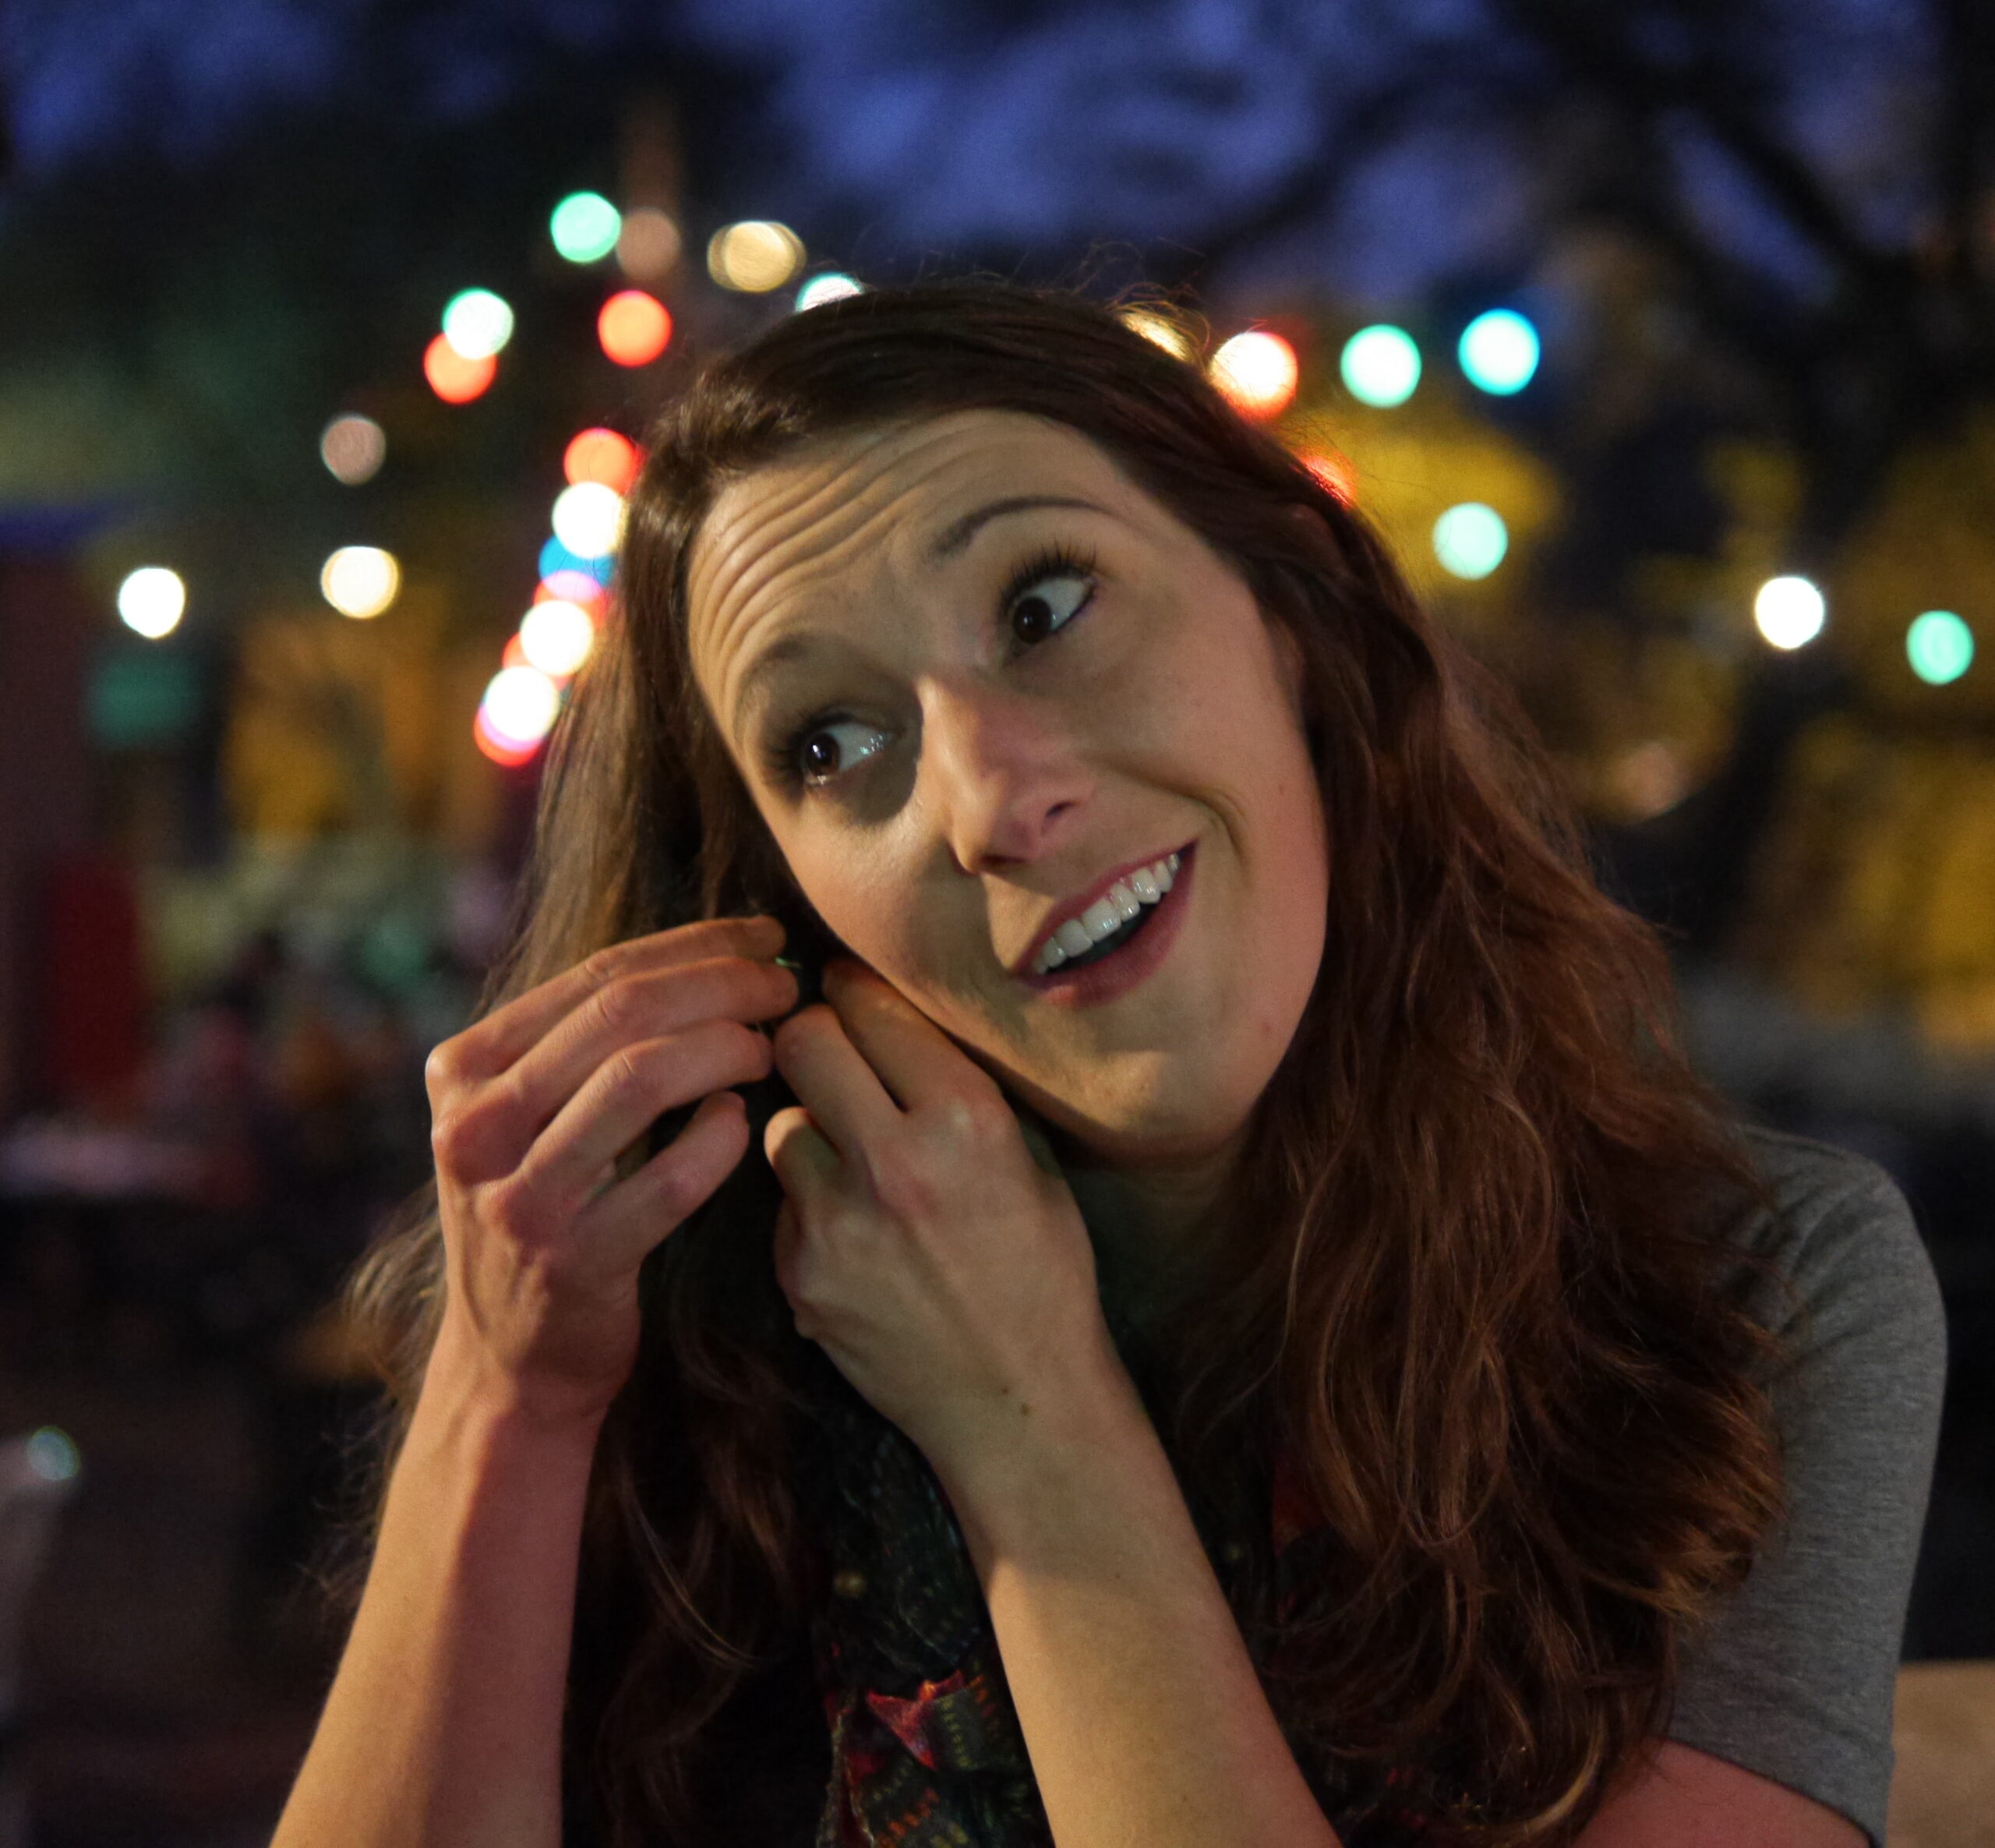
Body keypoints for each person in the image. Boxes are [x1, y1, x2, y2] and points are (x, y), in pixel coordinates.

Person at [272, 284, 1947, 1848]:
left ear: (1293, 612)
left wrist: (1027, 1420)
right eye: (830, 743)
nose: (992, 801)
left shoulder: (1746, 1288)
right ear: (776, 900)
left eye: (1044, 605)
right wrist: (509, 1390)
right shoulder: (681, 1325)